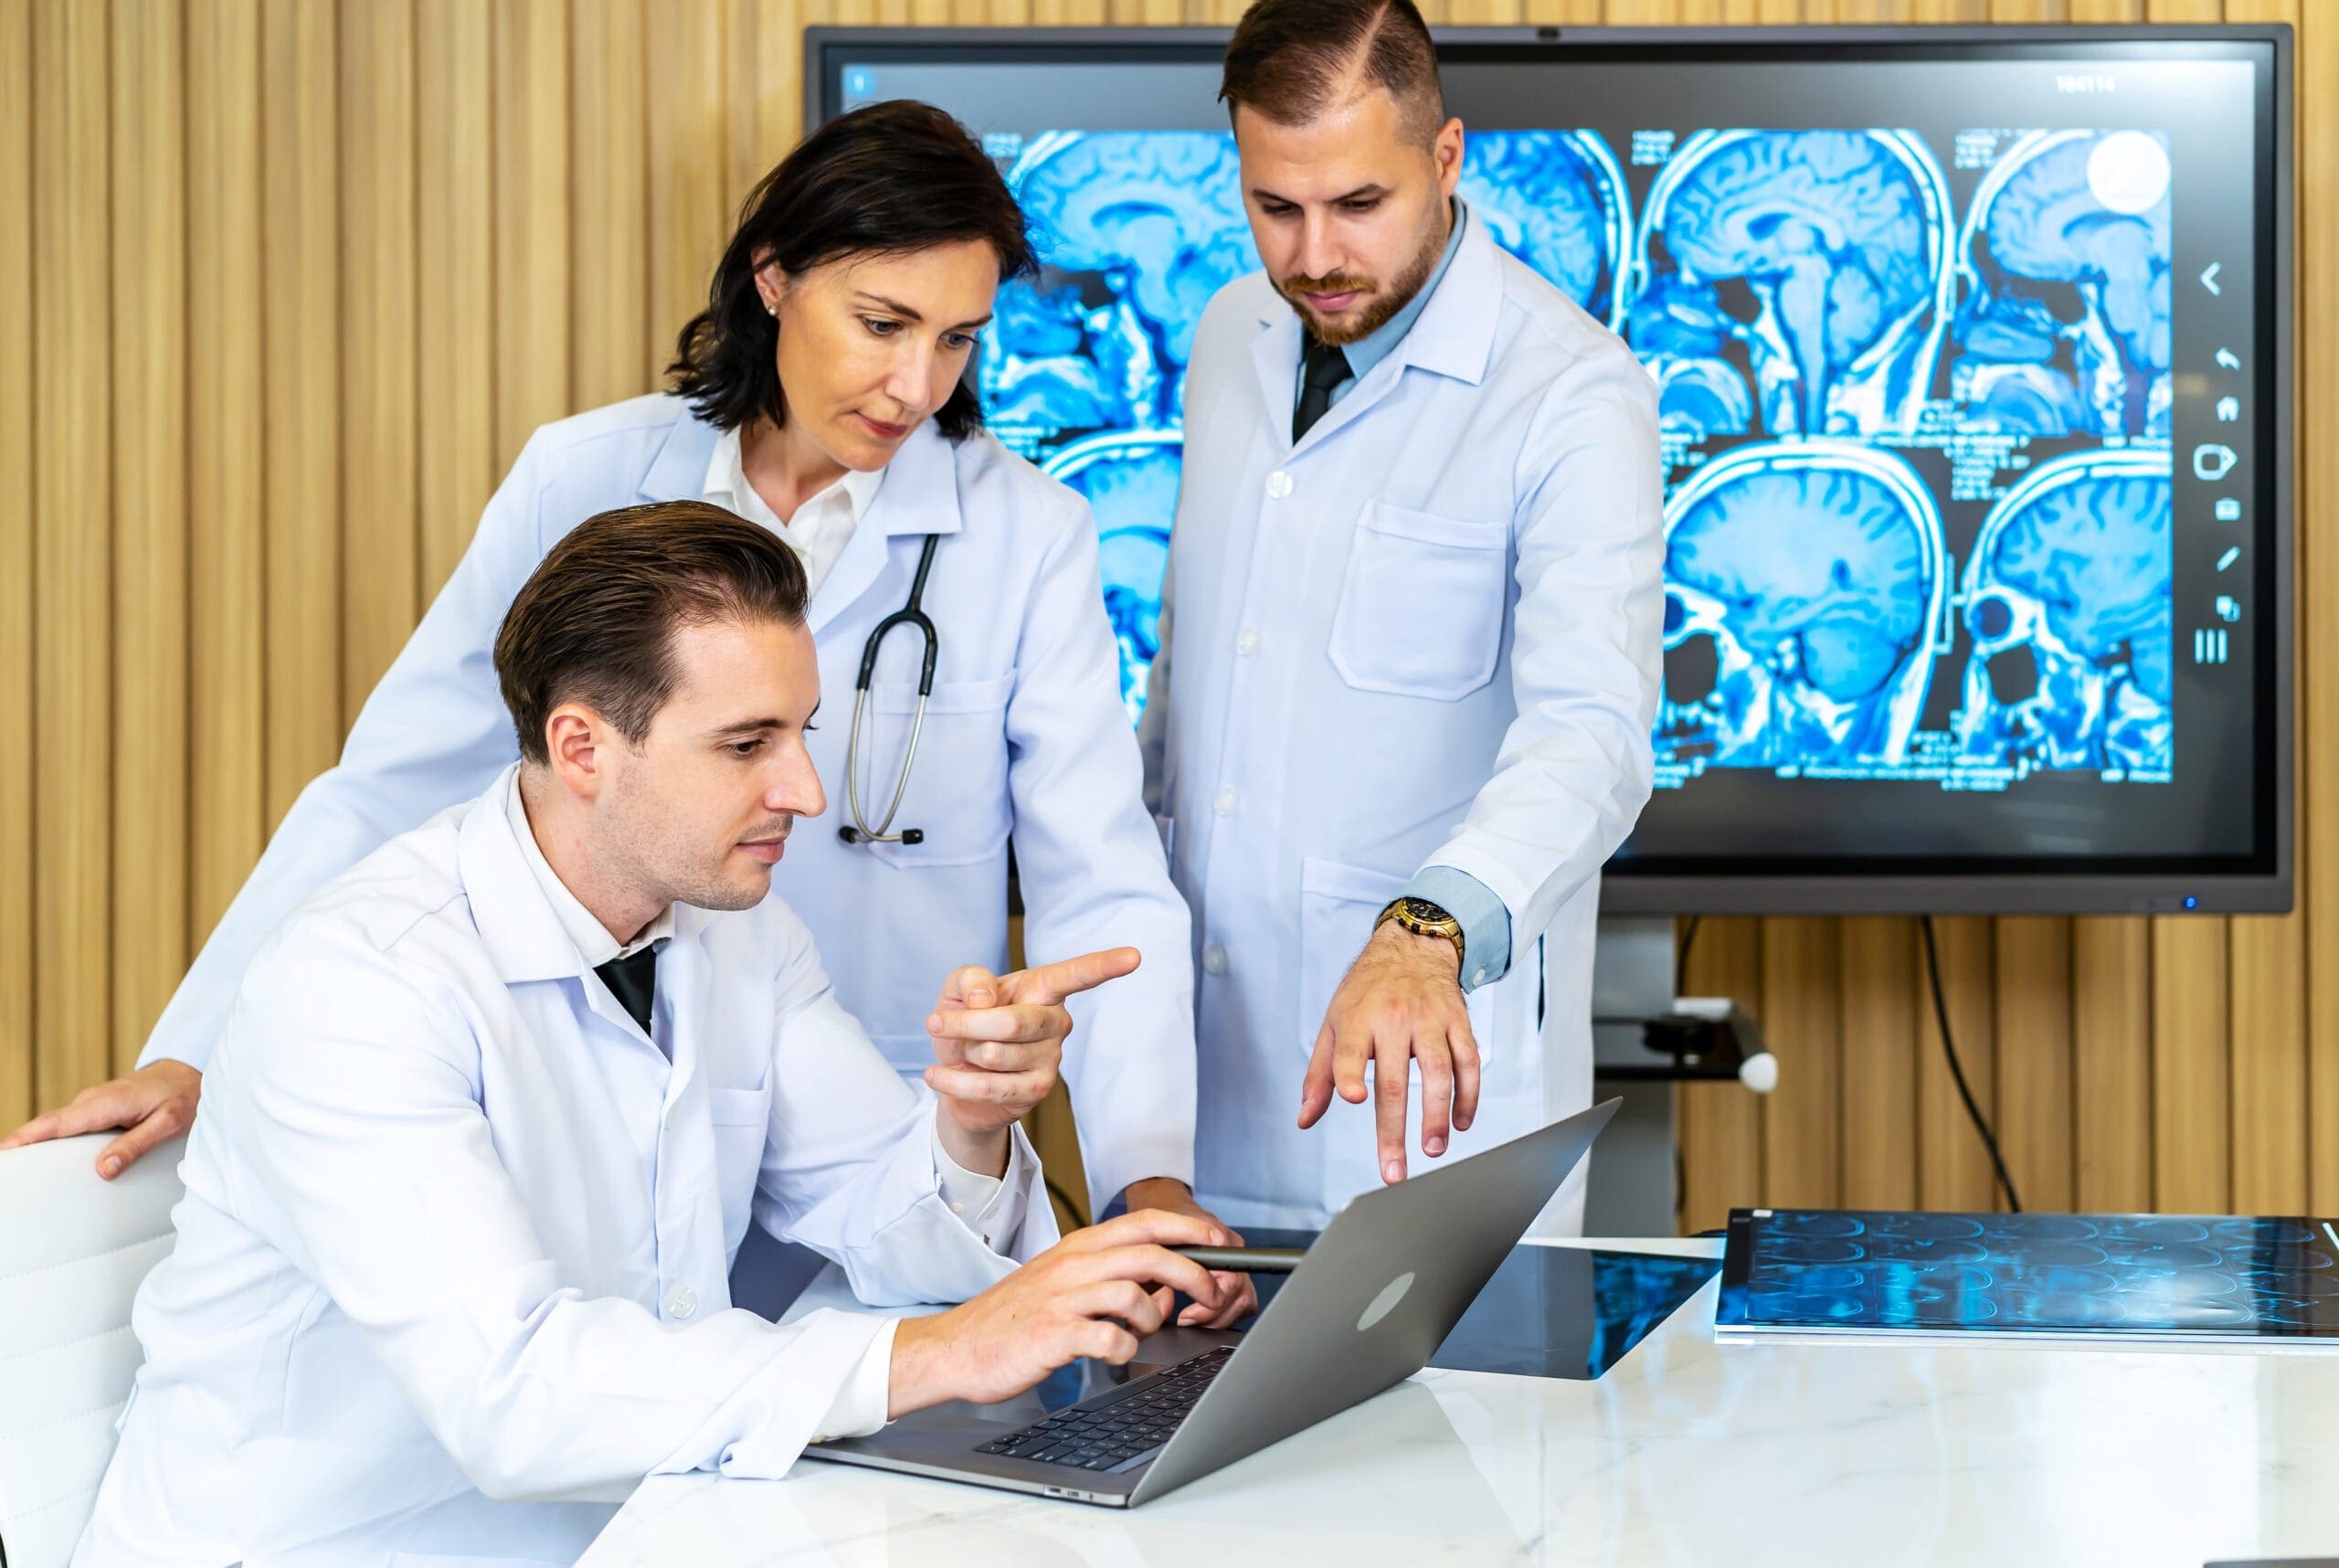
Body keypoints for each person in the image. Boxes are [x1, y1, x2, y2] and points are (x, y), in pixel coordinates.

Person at [8, 100, 1251, 1316]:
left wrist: (1152, 1176)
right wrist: (200, 1048)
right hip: (630, 1104)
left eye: (957, 340)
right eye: (882, 323)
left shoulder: (1025, 533)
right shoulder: (590, 475)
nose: (915, 382)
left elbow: (1099, 874)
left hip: (879, 1135)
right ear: (774, 278)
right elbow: (392, 783)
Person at [74, 503, 1233, 1567]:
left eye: (802, 733)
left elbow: (889, 1225)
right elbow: (513, 1397)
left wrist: (971, 1128)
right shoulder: (363, 985)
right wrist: (943, 1352)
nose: (807, 792)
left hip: (632, 1528)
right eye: (747, 744)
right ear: (582, 749)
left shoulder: (739, 932)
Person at [1141, 0, 1663, 1233]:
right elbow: (1194, 682)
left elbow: (1592, 733)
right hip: (1195, 1091)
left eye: (1358, 206)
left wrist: (1427, 930)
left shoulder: (1572, 392)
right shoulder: (1230, 334)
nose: (1314, 255)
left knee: (1447, 1430)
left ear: (1445, 160)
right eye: (1276, 206)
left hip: (1424, 1115)